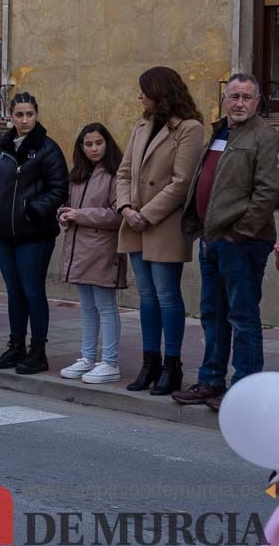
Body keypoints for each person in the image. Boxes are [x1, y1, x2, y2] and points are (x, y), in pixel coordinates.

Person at [173, 73, 279, 410]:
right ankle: (210, 381)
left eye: (247, 97)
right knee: (212, 313)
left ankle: (245, 392)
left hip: (242, 242)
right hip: (212, 238)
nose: (239, 103)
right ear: (225, 100)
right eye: (234, 96)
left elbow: (267, 192)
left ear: (258, 102)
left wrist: (240, 231)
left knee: (243, 316)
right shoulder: (221, 131)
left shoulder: (265, 136)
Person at [114, 66, 204, 396]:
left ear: (160, 92)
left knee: (167, 296)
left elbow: (183, 183)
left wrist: (146, 215)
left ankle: (172, 365)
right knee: (147, 297)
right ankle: (149, 362)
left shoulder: (190, 129)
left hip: (163, 224)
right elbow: (123, 173)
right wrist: (125, 209)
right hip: (135, 220)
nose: (140, 97)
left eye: (144, 91)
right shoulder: (141, 125)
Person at [0, 93, 68, 375]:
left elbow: (58, 189)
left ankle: (38, 351)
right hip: (4, 233)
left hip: (35, 234)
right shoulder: (1, 147)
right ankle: (16, 345)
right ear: (11, 116)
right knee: (14, 293)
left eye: (29, 114)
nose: (24, 119)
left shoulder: (47, 148)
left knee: (32, 291)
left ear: (37, 114)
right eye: (19, 114)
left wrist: (31, 210)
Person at [57, 123, 127, 384]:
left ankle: (110, 362)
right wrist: (64, 214)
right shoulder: (79, 174)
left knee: (105, 306)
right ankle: (87, 357)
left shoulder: (115, 173)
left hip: (103, 249)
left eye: (99, 143)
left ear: (107, 144)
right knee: (86, 307)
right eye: (88, 144)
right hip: (79, 249)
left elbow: (118, 214)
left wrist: (79, 215)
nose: (94, 148)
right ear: (81, 147)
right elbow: (70, 205)